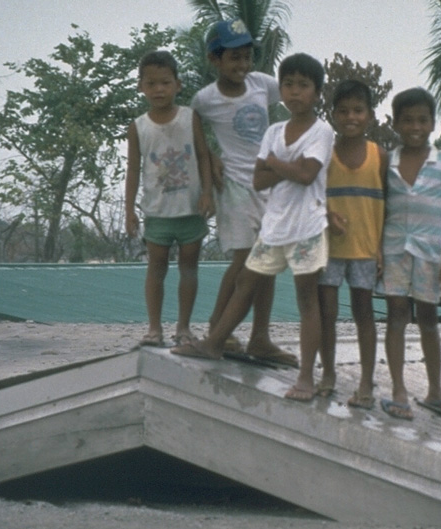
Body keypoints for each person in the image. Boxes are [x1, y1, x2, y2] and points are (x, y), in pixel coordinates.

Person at [173, 53, 335, 403]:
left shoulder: (322, 131)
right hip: (274, 226)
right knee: (246, 281)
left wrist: (277, 163)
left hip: (307, 226)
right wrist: (283, 165)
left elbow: (308, 175)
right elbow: (261, 180)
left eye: (303, 86)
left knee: (308, 300)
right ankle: (214, 344)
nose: (294, 93)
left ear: (317, 93)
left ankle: (306, 377)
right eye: (289, 84)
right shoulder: (274, 131)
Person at [191, 18, 296, 366]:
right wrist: (212, 156)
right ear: (214, 60)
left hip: (267, 183)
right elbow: (189, 133)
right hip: (234, 186)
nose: (242, 65)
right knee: (244, 260)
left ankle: (260, 337)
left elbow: (296, 98)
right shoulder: (205, 100)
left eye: (247, 56)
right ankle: (217, 326)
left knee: (267, 262)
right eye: (234, 57)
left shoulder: (262, 85)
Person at [378, 87, 441, 421]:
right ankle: (399, 391)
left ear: (432, 124)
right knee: (397, 316)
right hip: (394, 250)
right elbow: (378, 208)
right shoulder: (387, 161)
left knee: (428, 320)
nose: (415, 126)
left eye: (422, 120)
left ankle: (435, 392)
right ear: (397, 123)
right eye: (408, 120)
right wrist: (376, 253)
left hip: (429, 253)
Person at [124, 50, 214, 349]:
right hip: (157, 212)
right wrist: (129, 210)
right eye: (151, 83)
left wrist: (207, 193)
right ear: (141, 87)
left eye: (165, 82)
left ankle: (184, 327)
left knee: (189, 268)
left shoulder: (190, 118)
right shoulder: (138, 126)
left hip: (190, 210)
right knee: (156, 267)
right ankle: (153, 328)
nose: (159, 89)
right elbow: (133, 170)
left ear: (177, 84)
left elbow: (203, 156)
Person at [316, 79, 388, 406]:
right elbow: (313, 197)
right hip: (329, 249)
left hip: (365, 251)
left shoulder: (380, 156)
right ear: (332, 116)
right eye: (343, 111)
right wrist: (327, 214)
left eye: (358, 111)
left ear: (370, 115)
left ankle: (366, 383)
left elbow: (391, 206)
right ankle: (328, 374)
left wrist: (382, 250)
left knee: (364, 316)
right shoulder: (325, 155)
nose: (351, 117)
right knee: (326, 314)